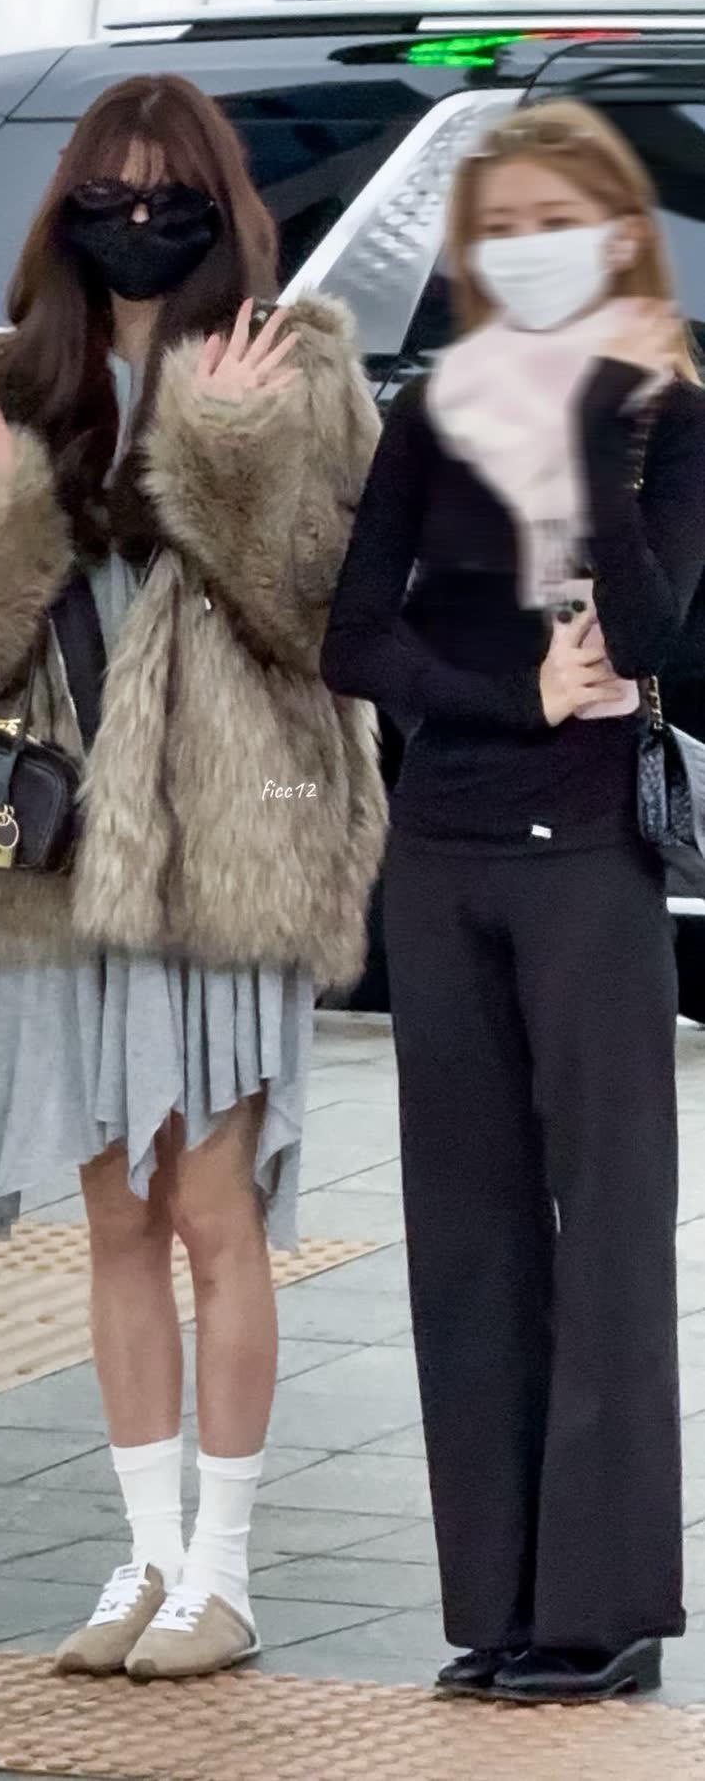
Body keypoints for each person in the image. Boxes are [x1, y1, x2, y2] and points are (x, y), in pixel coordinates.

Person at [0, 73, 385, 1681]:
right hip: (61, 863)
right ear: (65, 209)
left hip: (227, 845)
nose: (135, 214)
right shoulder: (11, 377)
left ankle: (224, 1574)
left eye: (168, 189)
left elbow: (315, 615)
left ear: (221, 206)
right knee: (114, 1216)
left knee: (210, 1208)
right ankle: (144, 1557)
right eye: (105, 189)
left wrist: (224, 444)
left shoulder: (296, 361)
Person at [322, 98, 705, 1704]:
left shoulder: (667, 416)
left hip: (589, 867)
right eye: (502, 228)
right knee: (465, 1236)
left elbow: (658, 632)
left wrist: (594, 437)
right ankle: (494, 1605)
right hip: (441, 854)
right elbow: (353, 639)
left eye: (560, 221)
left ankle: (601, 1614)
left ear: (617, 235)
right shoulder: (433, 412)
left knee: (606, 1229)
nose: (529, 250)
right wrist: (509, 701)